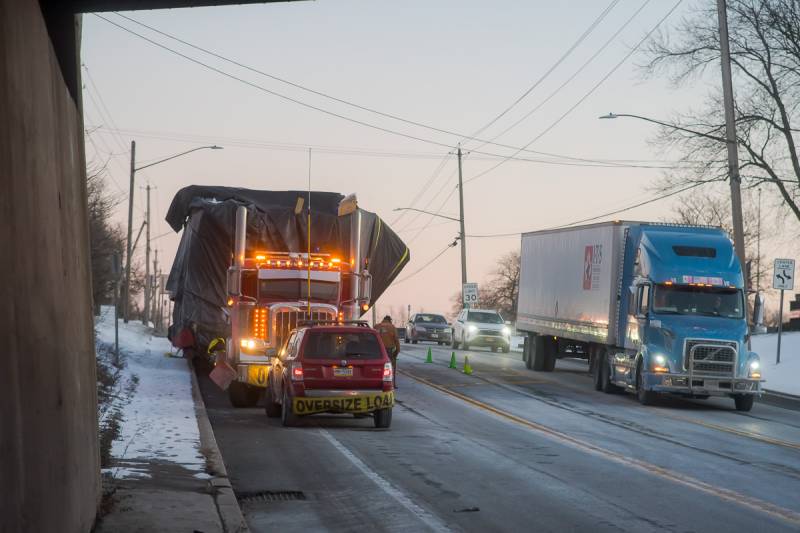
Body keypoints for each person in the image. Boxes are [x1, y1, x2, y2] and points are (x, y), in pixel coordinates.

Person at [376, 315, 400, 388]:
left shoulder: (376, 326)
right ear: (390, 320)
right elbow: (396, 340)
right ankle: (392, 384)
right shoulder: (392, 327)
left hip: (377, 350)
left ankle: (376, 382)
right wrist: (397, 352)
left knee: (377, 367)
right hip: (388, 350)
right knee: (390, 367)